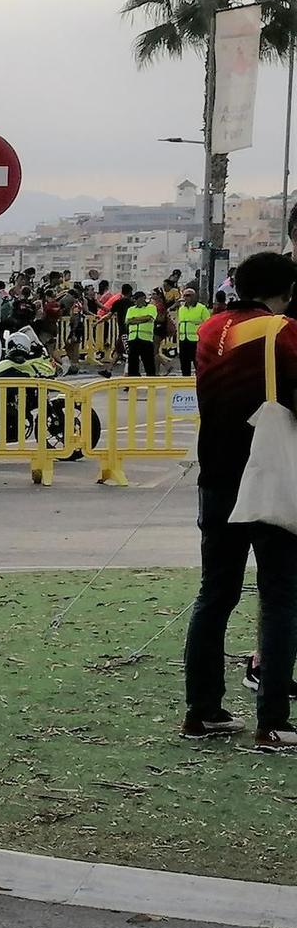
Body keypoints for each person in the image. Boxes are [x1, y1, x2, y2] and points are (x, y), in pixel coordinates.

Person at [181, 251, 297, 750]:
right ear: (285, 290)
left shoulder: (211, 330)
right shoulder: (280, 330)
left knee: (215, 593)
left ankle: (202, 711)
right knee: (279, 596)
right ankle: (273, 721)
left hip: (216, 475)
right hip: (266, 473)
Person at [124, 289, 159, 377]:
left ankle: (151, 382)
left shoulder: (151, 307)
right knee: (133, 363)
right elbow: (128, 321)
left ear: (143, 298)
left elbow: (149, 318)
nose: (135, 301)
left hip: (146, 338)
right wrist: (142, 319)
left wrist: (135, 319)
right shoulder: (131, 309)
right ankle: (133, 381)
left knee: (148, 362)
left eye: (137, 299)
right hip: (133, 338)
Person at [175, 290, 210, 377]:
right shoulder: (181, 309)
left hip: (196, 341)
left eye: (189, 295)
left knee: (198, 364)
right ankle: (185, 383)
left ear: (194, 297)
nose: (186, 298)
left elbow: (208, 324)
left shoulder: (201, 308)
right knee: (184, 364)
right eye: (185, 296)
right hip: (184, 341)